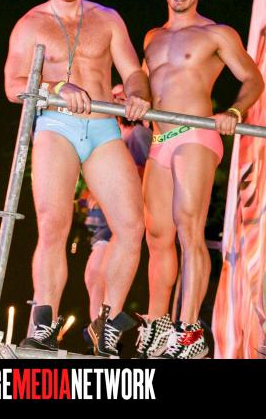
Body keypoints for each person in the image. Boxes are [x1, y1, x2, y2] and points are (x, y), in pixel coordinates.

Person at [4, 0, 151, 357]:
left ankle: (108, 323)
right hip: (57, 125)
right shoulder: (30, 24)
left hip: (102, 126)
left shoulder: (107, 18)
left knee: (132, 226)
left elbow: (133, 70)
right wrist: (55, 87)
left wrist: (138, 94)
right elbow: (13, 86)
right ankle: (43, 324)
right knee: (53, 222)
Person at [136, 0, 264, 359]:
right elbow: (144, 81)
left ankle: (188, 329)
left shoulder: (217, 33)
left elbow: (253, 78)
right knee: (157, 235)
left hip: (196, 133)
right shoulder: (152, 37)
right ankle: (158, 322)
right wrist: (130, 95)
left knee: (187, 228)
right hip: (160, 138)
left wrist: (234, 112)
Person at [80, 85, 152, 353]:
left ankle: (105, 332)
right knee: (93, 274)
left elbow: (150, 173)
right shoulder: (106, 134)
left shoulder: (137, 134)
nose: (116, 99)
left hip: (120, 210)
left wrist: (114, 181)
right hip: (102, 217)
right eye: (113, 96)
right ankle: (98, 332)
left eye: (122, 96)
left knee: (101, 271)